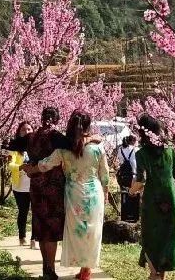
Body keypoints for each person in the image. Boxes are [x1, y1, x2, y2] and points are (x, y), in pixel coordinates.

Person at [23, 109, 110, 280]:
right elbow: (105, 174)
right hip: (94, 193)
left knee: (76, 232)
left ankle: (77, 265)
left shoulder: (64, 148)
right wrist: (105, 192)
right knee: (92, 232)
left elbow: (44, 165)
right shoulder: (97, 146)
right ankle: (86, 269)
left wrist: (28, 169)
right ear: (88, 125)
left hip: (73, 194)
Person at [9, 107, 68, 279]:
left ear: (42, 119)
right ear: (56, 120)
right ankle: (50, 269)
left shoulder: (31, 137)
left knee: (41, 227)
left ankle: (45, 268)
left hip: (35, 186)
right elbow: (73, 146)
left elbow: (13, 144)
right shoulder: (56, 136)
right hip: (53, 187)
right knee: (51, 229)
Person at [129, 114, 175, 280]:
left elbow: (141, 180)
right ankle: (160, 275)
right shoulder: (170, 150)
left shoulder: (141, 154)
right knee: (167, 236)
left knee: (150, 235)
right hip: (171, 196)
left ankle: (155, 274)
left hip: (153, 199)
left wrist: (132, 191)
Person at [7, 121, 38, 249]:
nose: (27, 132)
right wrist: (21, 166)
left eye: (29, 129)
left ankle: (34, 239)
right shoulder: (14, 147)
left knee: (36, 212)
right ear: (19, 132)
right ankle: (22, 237)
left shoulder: (37, 146)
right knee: (23, 211)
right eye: (24, 130)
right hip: (20, 185)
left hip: (35, 184)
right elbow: (10, 165)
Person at [117, 135, 139, 222]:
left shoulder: (120, 149)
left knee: (124, 194)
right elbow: (134, 164)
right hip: (132, 175)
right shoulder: (134, 149)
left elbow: (121, 161)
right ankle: (133, 215)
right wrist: (135, 175)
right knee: (133, 194)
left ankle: (124, 215)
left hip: (123, 175)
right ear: (133, 141)